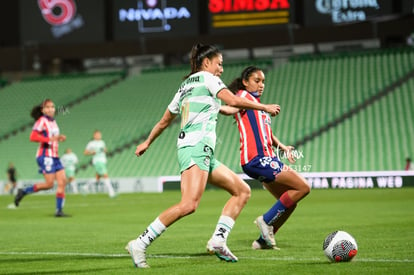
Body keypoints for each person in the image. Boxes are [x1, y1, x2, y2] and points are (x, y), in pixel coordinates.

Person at [125, 44, 280, 268]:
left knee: (242, 191)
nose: (221, 69)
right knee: (188, 204)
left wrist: (148, 142)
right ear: (206, 63)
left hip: (199, 150)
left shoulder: (185, 87)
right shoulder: (209, 79)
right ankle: (140, 243)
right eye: (219, 64)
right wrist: (263, 107)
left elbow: (165, 121)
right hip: (196, 147)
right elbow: (233, 101)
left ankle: (218, 240)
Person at [223, 66, 310, 250]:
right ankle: (265, 220)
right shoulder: (243, 97)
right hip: (256, 159)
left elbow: (268, 135)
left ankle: (262, 242)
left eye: (263, 81)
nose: (261, 85)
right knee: (303, 187)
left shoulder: (257, 106)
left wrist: (283, 147)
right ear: (245, 82)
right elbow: (230, 108)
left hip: (268, 158)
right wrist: (214, 107)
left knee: (289, 202)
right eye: (257, 80)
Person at [13, 99, 69, 217]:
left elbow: (53, 136)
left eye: (52, 107)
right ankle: (23, 191)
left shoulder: (53, 122)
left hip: (55, 156)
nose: (51, 109)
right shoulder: (42, 121)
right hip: (45, 156)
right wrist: (49, 139)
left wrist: (59, 138)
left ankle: (59, 211)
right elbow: (33, 137)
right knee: (49, 184)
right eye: (47, 107)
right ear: (43, 110)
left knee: (63, 181)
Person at [84, 130, 116, 198]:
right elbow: (85, 152)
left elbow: (105, 150)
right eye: (98, 134)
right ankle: (111, 191)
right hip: (97, 161)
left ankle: (86, 186)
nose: (99, 136)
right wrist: (91, 153)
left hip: (103, 161)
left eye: (100, 134)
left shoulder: (102, 142)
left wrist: (105, 150)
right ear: (94, 135)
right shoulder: (91, 143)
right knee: (105, 175)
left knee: (97, 178)